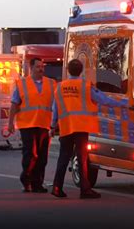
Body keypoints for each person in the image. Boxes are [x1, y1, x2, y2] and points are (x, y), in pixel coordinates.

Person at [50, 59, 126, 199]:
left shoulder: (60, 87)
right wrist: (121, 104)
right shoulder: (85, 86)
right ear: (81, 71)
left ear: (68, 70)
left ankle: (56, 187)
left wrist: (52, 126)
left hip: (66, 127)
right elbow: (103, 99)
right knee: (82, 158)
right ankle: (85, 190)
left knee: (63, 158)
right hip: (81, 127)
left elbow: (55, 108)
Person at [8, 57, 56, 193]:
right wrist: (10, 123)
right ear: (31, 68)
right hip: (27, 124)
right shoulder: (22, 84)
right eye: (38, 67)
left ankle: (37, 183)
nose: (41, 69)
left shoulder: (52, 84)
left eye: (42, 67)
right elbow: (14, 104)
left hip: (44, 124)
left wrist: (55, 123)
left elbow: (58, 104)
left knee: (42, 156)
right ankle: (26, 179)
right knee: (31, 154)